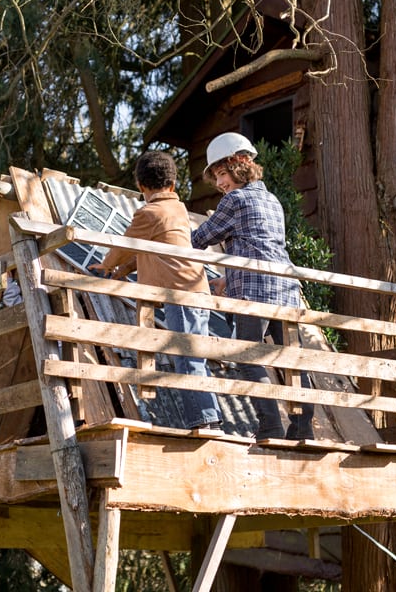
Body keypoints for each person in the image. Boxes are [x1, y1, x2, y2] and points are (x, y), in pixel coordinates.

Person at [191, 132, 314, 440]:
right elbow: (260, 245)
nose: (219, 183)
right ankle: (303, 429)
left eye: (222, 173)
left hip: (254, 294)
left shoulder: (235, 200)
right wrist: (227, 278)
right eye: (217, 177)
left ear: (240, 164)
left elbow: (199, 239)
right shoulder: (272, 200)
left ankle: (270, 425)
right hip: (285, 291)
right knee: (292, 363)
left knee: (248, 358)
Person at [90, 151, 224, 432]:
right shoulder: (177, 209)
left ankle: (206, 422)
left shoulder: (149, 212)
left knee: (187, 358)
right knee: (193, 356)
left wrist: (105, 265)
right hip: (193, 291)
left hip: (180, 294)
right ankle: (209, 416)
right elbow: (146, 250)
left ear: (140, 186)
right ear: (173, 185)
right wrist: (121, 271)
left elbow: (125, 243)